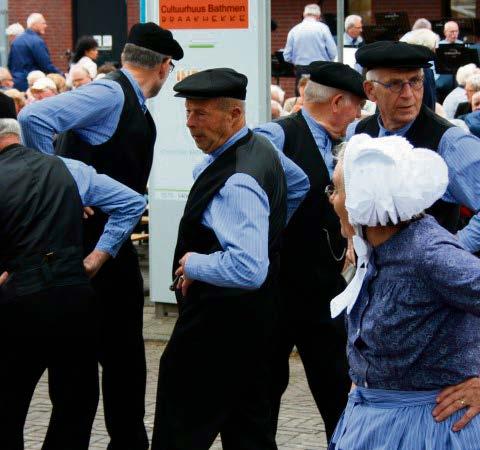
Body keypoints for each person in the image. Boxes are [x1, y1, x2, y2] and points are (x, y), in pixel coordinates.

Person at [19, 22, 184, 450]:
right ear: (165, 66)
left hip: (97, 246)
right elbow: (34, 115)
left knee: (113, 368)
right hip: (88, 248)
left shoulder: (125, 98)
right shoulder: (111, 93)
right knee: (98, 370)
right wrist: (56, 182)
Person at [151, 67, 309, 450]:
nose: (190, 123)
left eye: (201, 114)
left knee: (179, 433)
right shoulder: (260, 147)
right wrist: (266, 230)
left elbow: (248, 268)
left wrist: (193, 263)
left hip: (215, 330)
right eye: (187, 112)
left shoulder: (238, 180)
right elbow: (300, 182)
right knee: (249, 433)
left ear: (234, 114)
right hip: (257, 325)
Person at [0, 117, 146, 450]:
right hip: (75, 294)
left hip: (19, 299)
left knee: (8, 404)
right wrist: (99, 256)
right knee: (75, 404)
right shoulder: (66, 168)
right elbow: (133, 202)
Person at [327, 133, 480, 449]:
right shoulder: (378, 249)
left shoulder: (429, 254)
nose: (331, 199)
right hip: (374, 423)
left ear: (364, 198)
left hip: (430, 430)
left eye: (337, 190)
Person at [255, 61, 366, 442]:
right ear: (338, 102)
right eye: (358, 105)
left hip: (326, 291)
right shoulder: (276, 135)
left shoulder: (353, 143)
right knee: (263, 391)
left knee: (338, 389)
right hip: (277, 288)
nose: (361, 114)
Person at [349, 41, 480, 256]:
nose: (409, 94)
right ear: (370, 91)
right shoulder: (358, 133)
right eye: (395, 84)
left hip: (428, 284)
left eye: (415, 81)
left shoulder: (449, 141)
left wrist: (451, 250)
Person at [284, 4, 337, 94]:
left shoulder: (294, 30)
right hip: (320, 70)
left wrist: (296, 62)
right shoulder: (323, 28)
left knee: (301, 100)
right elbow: (333, 52)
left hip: (302, 71)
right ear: (318, 16)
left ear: (304, 15)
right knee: (320, 99)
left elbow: (286, 56)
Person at [8, 13, 61, 91]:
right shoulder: (37, 41)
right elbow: (46, 65)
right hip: (33, 84)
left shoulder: (16, 41)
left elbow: (10, 64)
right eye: (43, 23)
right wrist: (61, 75)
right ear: (35, 24)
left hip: (17, 83)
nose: (46, 26)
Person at [400, 28, 439, 110]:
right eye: (434, 46)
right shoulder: (426, 71)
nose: (435, 51)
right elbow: (430, 103)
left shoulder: (402, 67)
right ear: (428, 47)